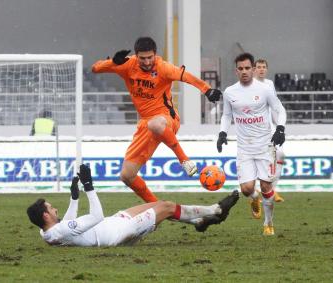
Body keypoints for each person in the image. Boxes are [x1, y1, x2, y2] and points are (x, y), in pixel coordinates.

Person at [92, 37, 222, 203]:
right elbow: (95, 68)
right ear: (136, 56)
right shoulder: (127, 65)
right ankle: (157, 206)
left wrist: (206, 89)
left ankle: (184, 160)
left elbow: (187, 77)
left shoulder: (163, 67)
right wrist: (112, 62)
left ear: (155, 54)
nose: (147, 62)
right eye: (142, 58)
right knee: (127, 175)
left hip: (167, 119)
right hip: (145, 124)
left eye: (150, 57)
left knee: (155, 124)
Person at [27, 164, 239, 247]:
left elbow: (69, 224)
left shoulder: (46, 232)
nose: (55, 210)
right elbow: (96, 216)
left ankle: (199, 222)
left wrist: (74, 198)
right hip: (118, 233)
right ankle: (216, 211)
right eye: (51, 208)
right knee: (165, 207)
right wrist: (89, 187)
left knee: (156, 205)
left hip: (114, 224)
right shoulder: (61, 229)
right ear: (46, 216)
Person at [216, 53, 287, 236]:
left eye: (248, 68)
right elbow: (226, 115)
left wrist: (280, 129)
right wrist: (223, 132)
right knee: (247, 189)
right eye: (241, 69)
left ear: (253, 69)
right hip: (244, 148)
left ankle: (268, 223)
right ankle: (254, 199)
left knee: (266, 187)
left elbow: (280, 110)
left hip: (265, 145)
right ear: (236, 71)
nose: (244, 71)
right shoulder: (230, 92)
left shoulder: (264, 89)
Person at [253, 58, 286, 212]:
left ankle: (269, 189)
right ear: (254, 69)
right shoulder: (249, 85)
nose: (261, 69)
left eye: (264, 67)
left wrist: (278, 125)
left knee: (278, 155)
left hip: (269, 127)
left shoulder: (269, 84)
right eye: (258, 67)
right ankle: (257, 193)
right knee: (266, 160)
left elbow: (274, 106)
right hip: (255, 130)